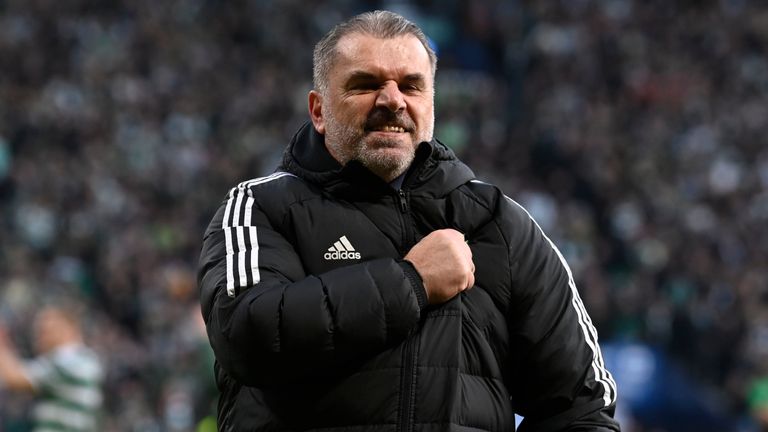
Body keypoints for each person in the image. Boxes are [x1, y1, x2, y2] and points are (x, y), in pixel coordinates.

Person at [198, 10, 620, 432]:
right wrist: (412, 281)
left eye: (411, 85)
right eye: (365, 85)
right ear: (319, 110)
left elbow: (581, 407)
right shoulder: (260, 206)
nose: (392, 100)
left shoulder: (501, 225)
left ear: (430, 104)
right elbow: (248, 335)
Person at [0, 305, 104, 431]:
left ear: (68, 328)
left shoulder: (74, 362)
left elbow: (16, 378)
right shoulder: (72, 361)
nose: (38, 337)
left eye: (45, 330)